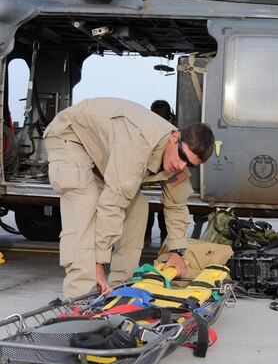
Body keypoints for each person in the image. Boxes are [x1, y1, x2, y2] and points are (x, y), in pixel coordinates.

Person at [43, 97, 214, 298]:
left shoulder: (177, 158)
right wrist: (98, 264)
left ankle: (119, 288)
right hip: (70, 137)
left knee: (138, 208)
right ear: (174, 137)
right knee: (86, 201)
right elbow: (112, 204)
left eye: (190, 164)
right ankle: (79, 296)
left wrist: (176, 252)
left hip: (101, 152)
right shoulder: (137, 144)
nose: (182, 166)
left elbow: (176, 205)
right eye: (183, 157)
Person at [144, 100, 174, 245]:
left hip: (163, 179)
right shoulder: (146, 130)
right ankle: (148, 238)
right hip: (148, 179)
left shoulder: (173, 133)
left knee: (165, 213)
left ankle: (163, 241)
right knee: (145, 213)